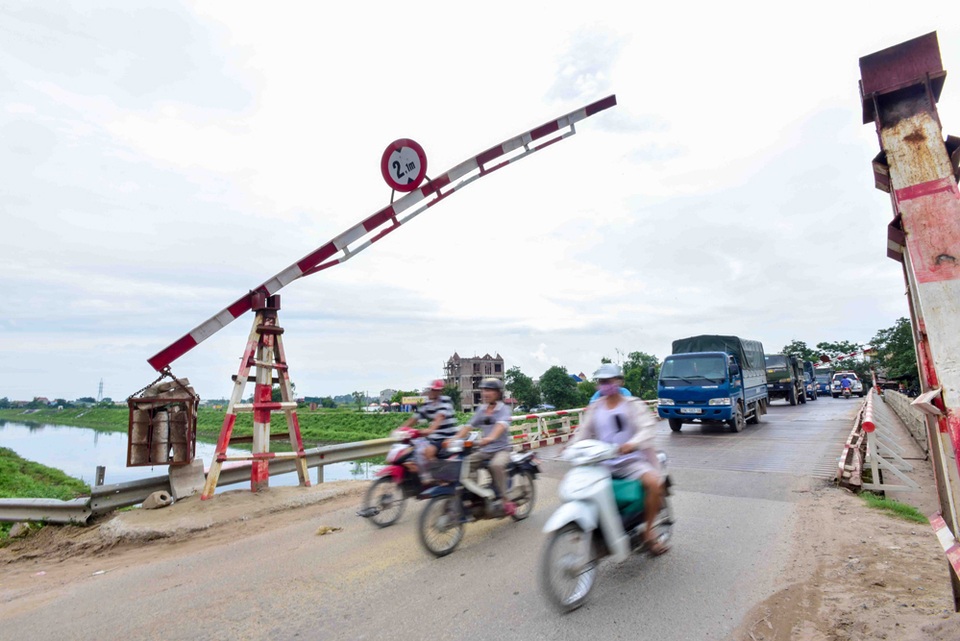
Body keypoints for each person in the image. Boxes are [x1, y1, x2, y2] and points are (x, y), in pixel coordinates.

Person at [570, 363, 669, 555]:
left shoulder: (632, 405)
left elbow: (647, 428)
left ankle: (649, 532)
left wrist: (632, 444)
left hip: (631, 462)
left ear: (619, 381)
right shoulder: (595, 407)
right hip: (603, 464)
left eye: (608, 380)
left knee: (655, 483)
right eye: (601, 381)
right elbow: (583, 431)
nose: (605, 385)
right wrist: (571, 446)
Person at [451, 378, 515, 516]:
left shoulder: (504, 409)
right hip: (485, 450)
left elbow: (501, 425)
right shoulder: (481, 409)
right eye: (484, 390)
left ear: (498, 393)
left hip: (501, 449)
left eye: (489, 390)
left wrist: (490, 438)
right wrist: (454, 439)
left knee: (496, 465)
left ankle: (505, 499)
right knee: (465, 463)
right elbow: (469, 426)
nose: (485, 393)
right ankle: (474, 496)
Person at [399, 380, 458, 472]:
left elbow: (440, 417)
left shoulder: (445, 401)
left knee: (429, 451)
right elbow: (415, 418)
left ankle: (438, 477)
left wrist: (428, 430)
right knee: (411, 452)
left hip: (446, 436)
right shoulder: (427, 404)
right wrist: (401, 429)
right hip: (433, 437)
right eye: (433, 390)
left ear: (441, 391)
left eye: (438, 390)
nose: (435, 392)